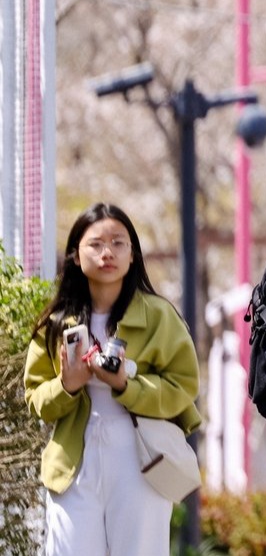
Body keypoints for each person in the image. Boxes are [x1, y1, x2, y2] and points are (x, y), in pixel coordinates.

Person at [24, 203, 202, 556]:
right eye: (96, 244)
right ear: (75, 255)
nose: (107, 253)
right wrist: (67, 384)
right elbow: (35, 398)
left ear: (132, 255)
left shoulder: (159, 316)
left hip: (140, 459)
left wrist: (125, 385)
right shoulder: (56, 322)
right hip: (74, 460)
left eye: (119, 243)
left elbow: (183, 387)